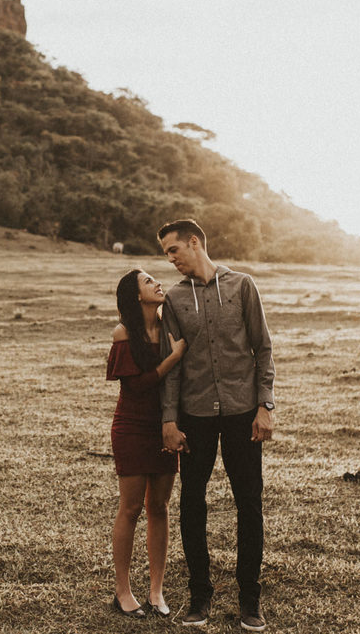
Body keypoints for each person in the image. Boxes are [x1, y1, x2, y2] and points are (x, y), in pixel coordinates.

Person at [157, 219, 275, 631]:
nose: (169, 260)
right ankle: (199, 596)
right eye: (166, 254)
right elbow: (170, 368)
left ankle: (250, 600)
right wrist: (169, 420)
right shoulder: (172, 299)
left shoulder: (242, 285)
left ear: (194, 243)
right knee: (192, 504)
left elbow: (262, 349)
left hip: (244, 413)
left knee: (249, 504)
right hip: (195, 415)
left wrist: (265, 406)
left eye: (173, 251)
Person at [106, 269, 188, 619]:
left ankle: (156, 590)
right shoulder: (124, 333)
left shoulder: (171, 328)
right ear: (136, 295)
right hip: (132, 427)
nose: (158, 283)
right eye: (148, 281)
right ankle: (122, 591)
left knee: (160, 506)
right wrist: (174, 357)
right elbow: (137, 386)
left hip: (166, 425)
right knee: (131, 508)